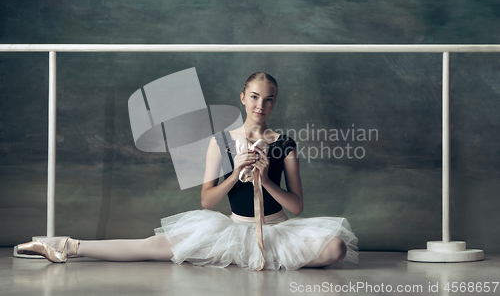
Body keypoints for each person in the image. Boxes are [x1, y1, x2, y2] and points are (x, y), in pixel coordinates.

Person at [17, 72, 358, 270]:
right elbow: (208, 201)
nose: (260, 105)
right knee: (152, 247)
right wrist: (234, 172)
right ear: (242, 97)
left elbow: (297, 207)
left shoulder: (284, 143)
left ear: (274, 103)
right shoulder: (221, 141)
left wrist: (266, 180)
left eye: (268, 100)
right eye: (254, 97)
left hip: (278, 230)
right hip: (232, 229)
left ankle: (250, 255)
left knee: (336, 248)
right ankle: (66, 244)